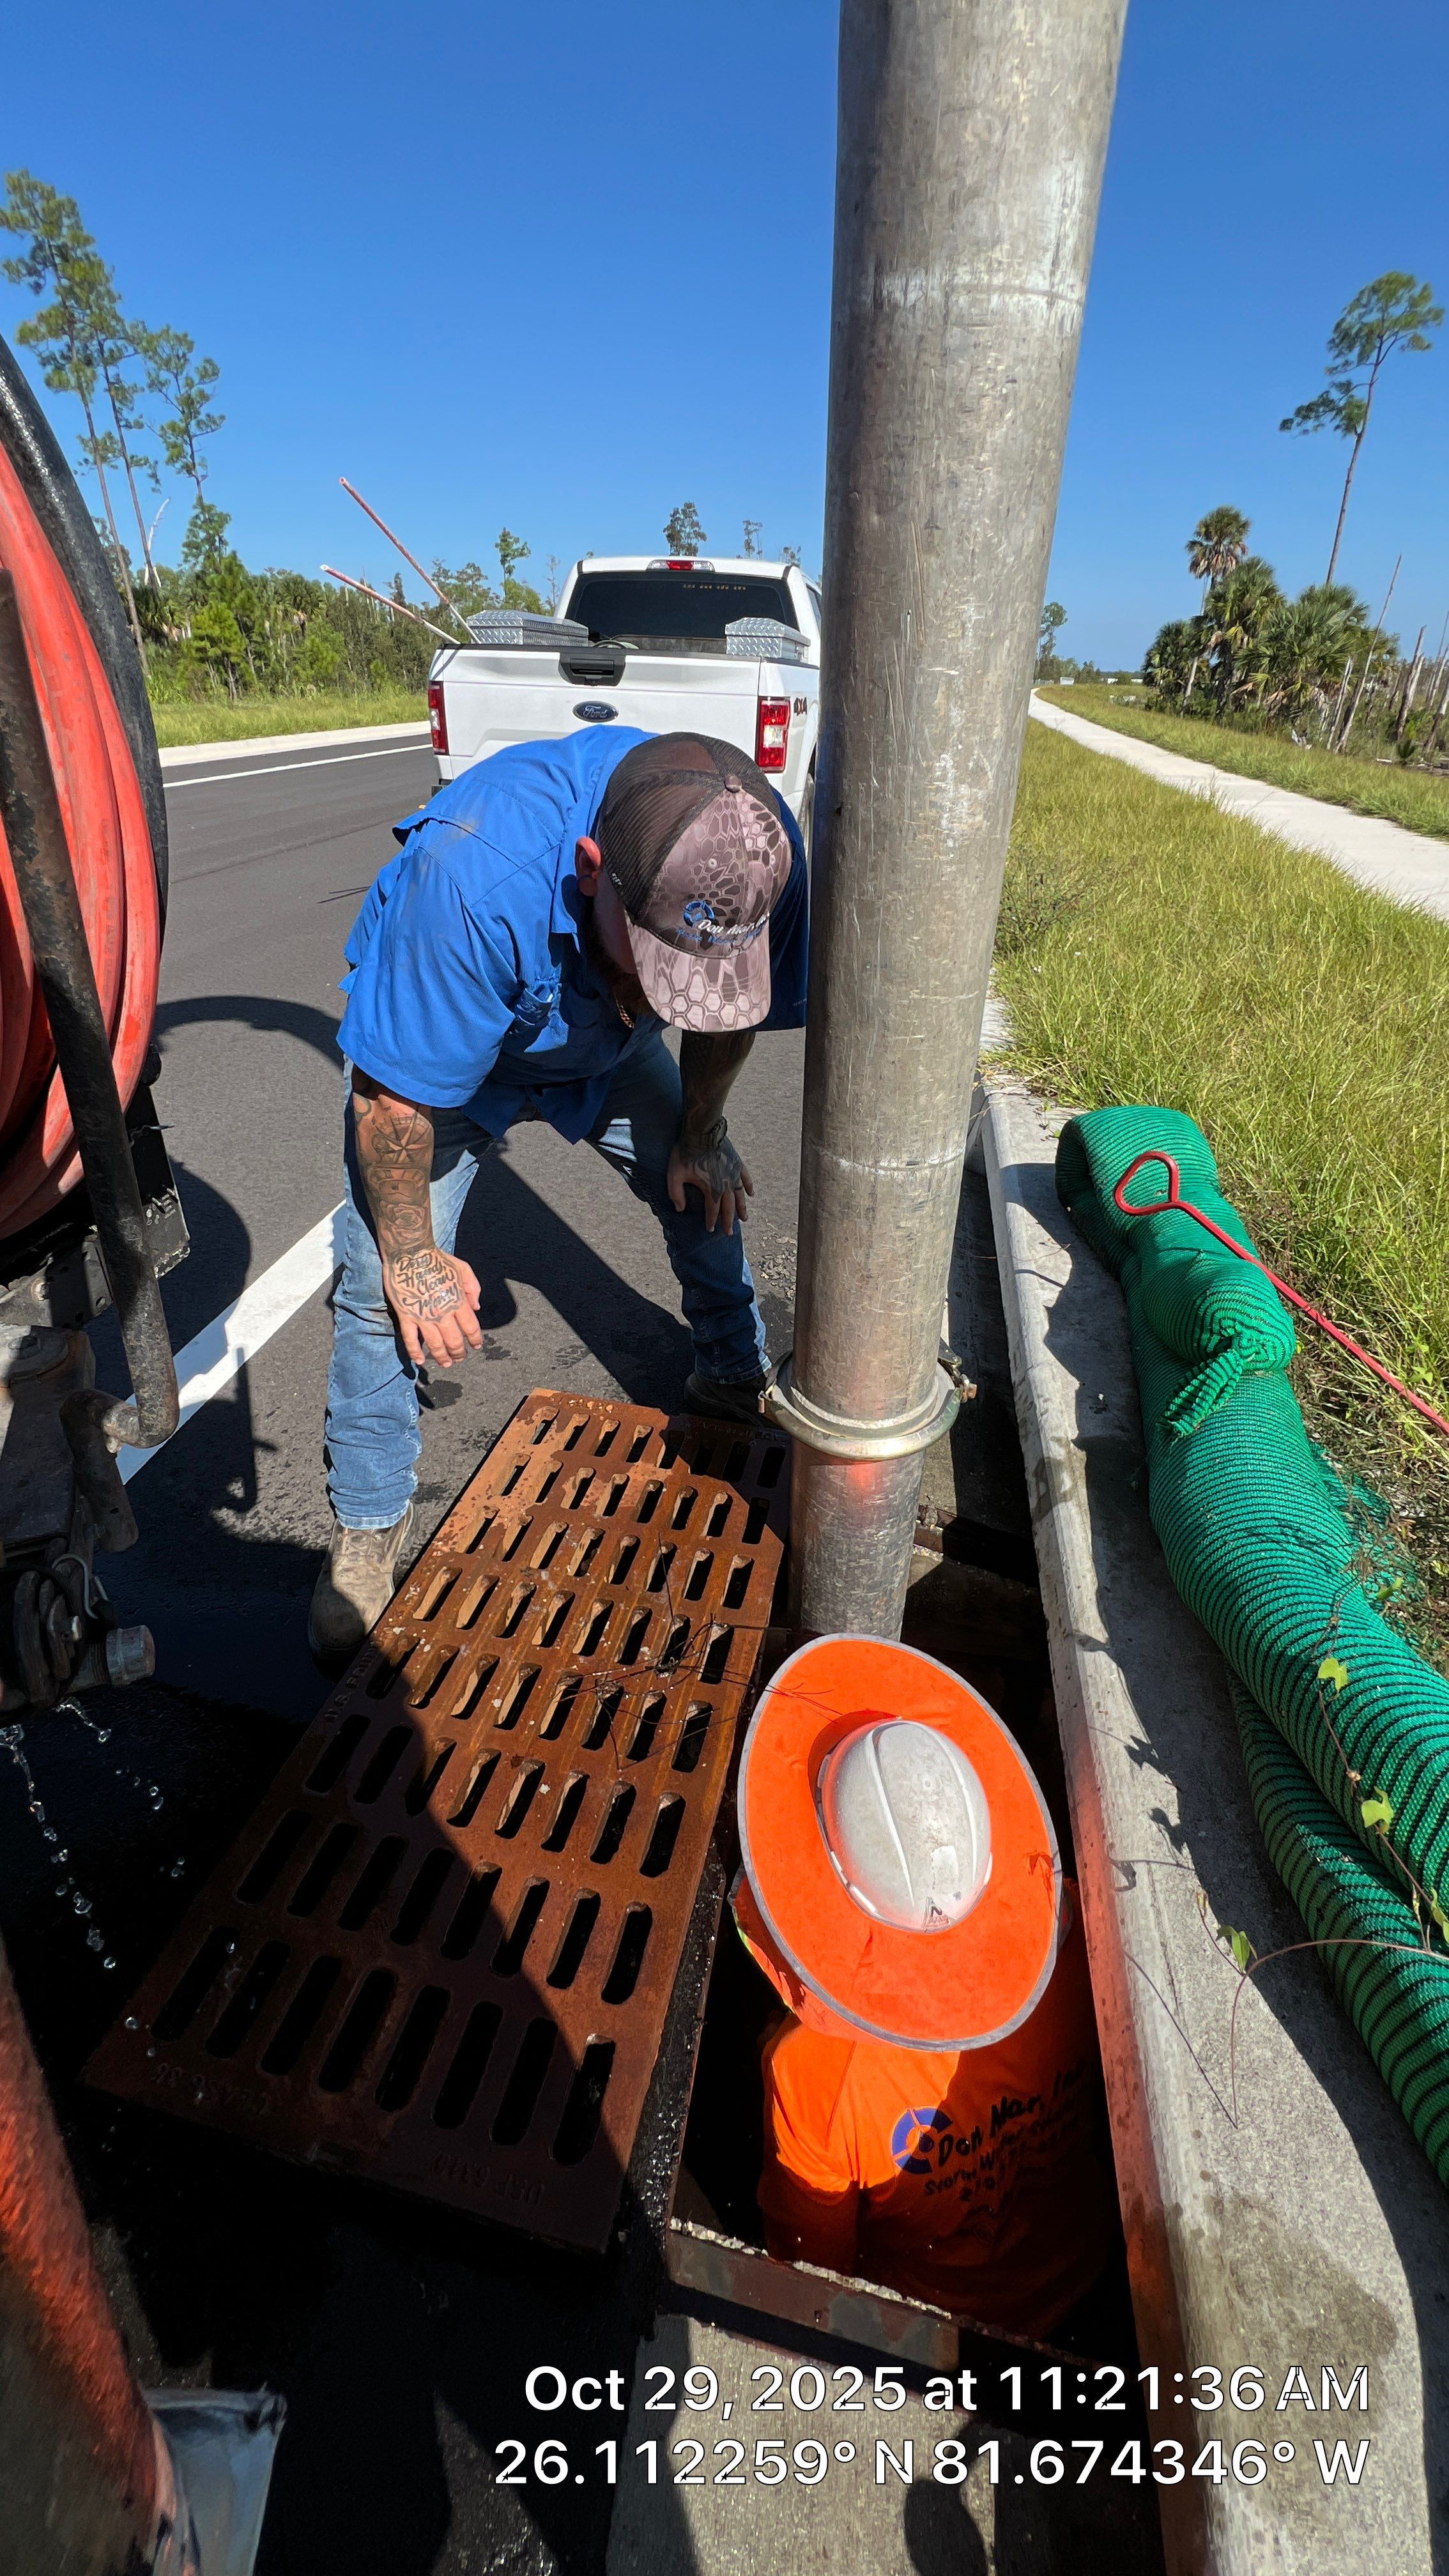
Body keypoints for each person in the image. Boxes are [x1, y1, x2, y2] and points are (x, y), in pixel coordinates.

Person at [309, 728, 806, 1668]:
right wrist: (414, 1259)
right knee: (381, 1285)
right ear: (592, 870)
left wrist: (700, 1130)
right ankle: (368, 1525)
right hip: (449, 1067)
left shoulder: (758, 852)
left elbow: (729, 1016)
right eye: (664, 965)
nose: (679, 995)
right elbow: (390, 1103)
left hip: (607, 1043)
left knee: (701, 1188)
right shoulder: (470, 879)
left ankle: (729, 1373)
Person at [732, 1634, 1114, 2336]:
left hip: (923, 2337)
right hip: (1087, 2286)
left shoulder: (814, 2077)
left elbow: (814, 2282)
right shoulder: (1081, 1940)